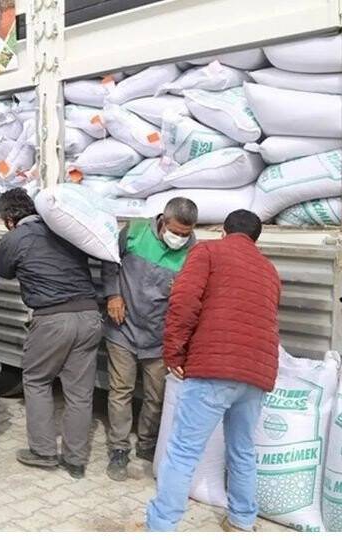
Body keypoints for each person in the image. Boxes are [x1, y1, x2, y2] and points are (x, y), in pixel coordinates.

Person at [146, 210, 281, 532]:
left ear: (224, 230)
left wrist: (174, 352)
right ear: (255, 238)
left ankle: (161, 526)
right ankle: (242, 521)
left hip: (213, 368)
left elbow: (184, 301)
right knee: (243, 451)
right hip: (256, 375)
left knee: (182, 451)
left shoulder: (207, 251)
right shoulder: (269, 270)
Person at [0, 188, 102, 479]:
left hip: (54, 318)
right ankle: (75, 461)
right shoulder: (63, 229)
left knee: (37, 379)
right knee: (79, 392)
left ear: (8, 219)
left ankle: (43, 452)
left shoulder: (14, 238)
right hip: (90, 315)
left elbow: (4, 272)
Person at [102, 197, 198, 481]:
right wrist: (113, 294)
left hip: (159, 337)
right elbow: (109, 262)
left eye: (186, 234)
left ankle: (147, 445)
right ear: (163, 221)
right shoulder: (133, 231)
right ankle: (119, 449)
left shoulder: (194, 252)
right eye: (176, 231)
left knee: (156, 397)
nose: (180, 238)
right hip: (123, 328)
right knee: (120, 391)